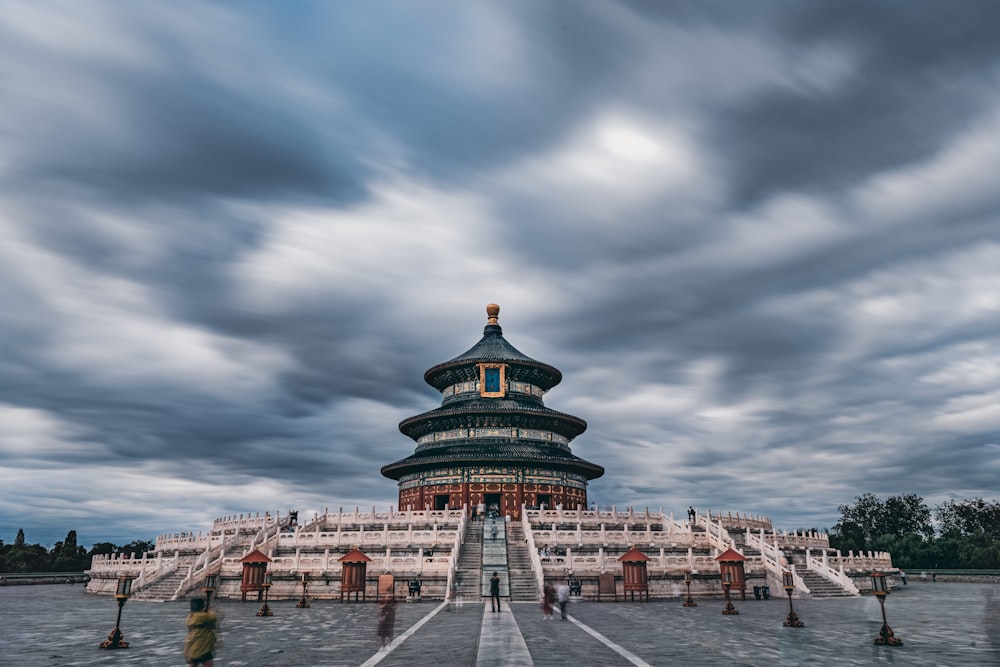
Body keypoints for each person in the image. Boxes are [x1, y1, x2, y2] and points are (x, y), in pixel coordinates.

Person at [183, 597, 218, 667]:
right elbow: (214, 617)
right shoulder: (204, 617)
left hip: (192, 647)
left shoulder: (190, 617)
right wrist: (208, 610)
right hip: (203, 647)